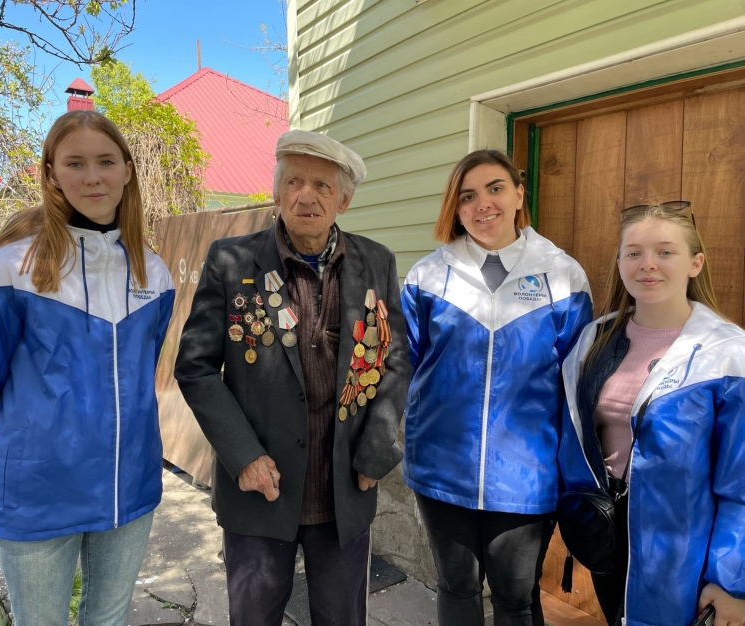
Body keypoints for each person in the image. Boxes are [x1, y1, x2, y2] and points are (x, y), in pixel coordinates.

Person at [174, 129, 411, 626]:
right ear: (277, 192)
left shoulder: (376, 262)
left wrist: (377, 449)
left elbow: (394, 360)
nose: (307, 195)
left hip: (344, 489)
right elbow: (195, 366)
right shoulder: (231, 260)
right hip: (260, 492)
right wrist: (243, 456)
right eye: (295, 182)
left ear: (343, 201)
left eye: (323, 186)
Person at [0, 110, 175, 626]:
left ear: (128, 170)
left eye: (106, 162)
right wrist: (19, 463)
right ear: (51, 173)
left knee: (108, 620)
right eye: (75, 163)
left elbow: (140, 374)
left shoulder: (154, 273)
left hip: (129, 488)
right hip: (38, 493)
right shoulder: (6, 270)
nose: (93, 177)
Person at [401, 150, 592, 626]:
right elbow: (407, 363)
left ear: (519, 195)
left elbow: (576, 382)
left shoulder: (563, 275)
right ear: (456, 208)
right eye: (467, 196)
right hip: (442, 466)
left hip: (528, 474)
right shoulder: (428, 275)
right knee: (456, 586)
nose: (482, 204)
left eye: (495, 189)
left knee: (515, 597)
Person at [558, 202, 745, 626]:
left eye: (665, 252)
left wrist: (731, 580)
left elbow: (741, 480)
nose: (648, 264)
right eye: (634, 252)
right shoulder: (594, 339)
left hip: (685, 546)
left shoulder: (728, 354)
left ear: (695, 263)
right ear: (620, 263)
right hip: (608, 529)